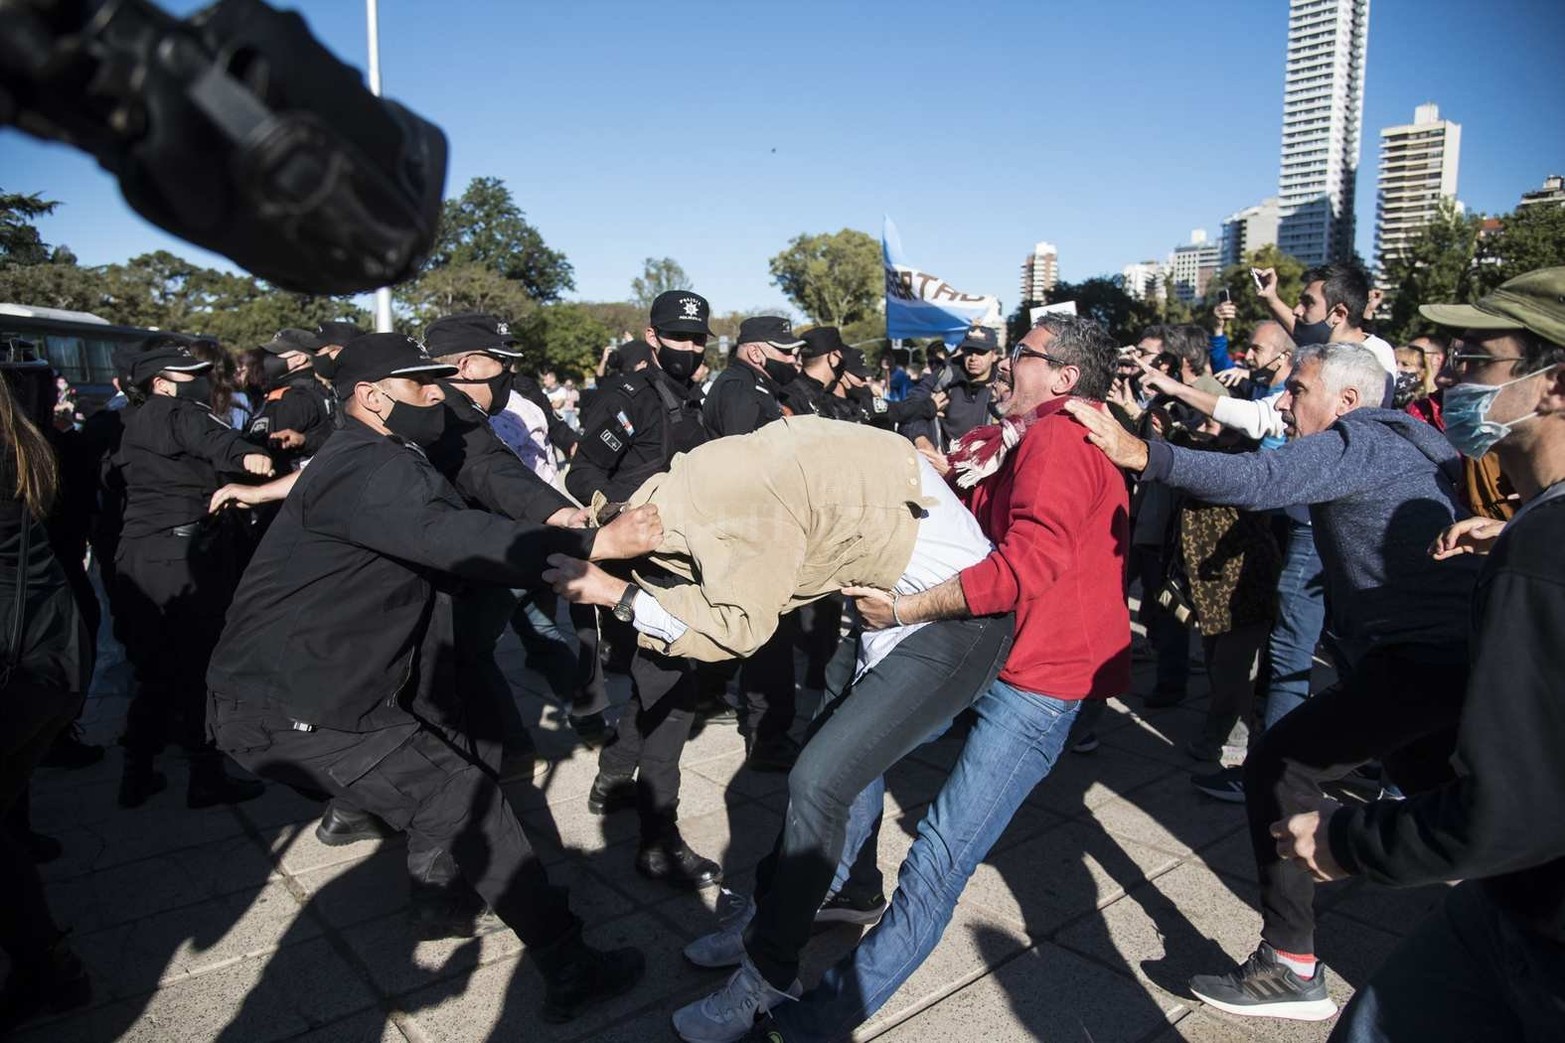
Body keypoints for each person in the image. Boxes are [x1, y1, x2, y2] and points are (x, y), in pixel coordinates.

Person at [205, 333, 661, 1023]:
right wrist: (591, 542)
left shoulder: (373, 450)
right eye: (420, 383)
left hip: (323, 684)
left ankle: (444, 896)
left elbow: (483, 472)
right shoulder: (372, 468)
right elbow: (456, 536)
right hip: (299, 699)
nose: (436, 394)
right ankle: (567, 963)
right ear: (371, 395)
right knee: (463, 793)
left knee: (452, 771)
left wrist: (554, 513)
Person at [537, 415, 1012, 1043]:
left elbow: (735, 629)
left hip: (955, 623)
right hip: (890, 608)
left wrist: (618, 595)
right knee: (817, 771)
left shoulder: (739, 511)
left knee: (818, 783)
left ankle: (768, 978)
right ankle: (798, 908)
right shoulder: (699, 480)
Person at [728, 314, 1128, 1043]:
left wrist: (902, 607)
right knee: (844, 766)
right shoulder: (1020, 438)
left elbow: (1022, 569)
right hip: (990, 654)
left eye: (1020, 355)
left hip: (1035, 682)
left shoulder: (1059, 442)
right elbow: (989, 531)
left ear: (1063, 378)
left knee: (937, 857)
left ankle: (818, 1020)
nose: (1002, 366)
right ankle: (792, 913)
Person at [1067, 340, 1484, 1023]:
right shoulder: (1415, 439)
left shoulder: (1358, 438)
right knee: (1458, 807)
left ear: (1346, 399)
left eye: (1296, 390)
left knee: (1277, 763)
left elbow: (1263, 481)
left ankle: (1288, 965)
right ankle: (1515, 927)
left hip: (1418, 656)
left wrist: (1145, 454)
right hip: (1440, 656)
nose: (1283, 402)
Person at [1271, 266, 1565, 1042]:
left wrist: (1346, 840)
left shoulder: (1541, 549)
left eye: (1477, 361)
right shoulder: (1535, 530)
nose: (1451, 375)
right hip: (1509, 903)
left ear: (1553, 383)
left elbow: (1515, 802)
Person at [565, 290, 723, 890]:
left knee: (660, 687)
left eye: (697, 338)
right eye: (677, 337)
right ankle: (658, 842)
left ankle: (611, 779)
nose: (689, 348)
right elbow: (583, 474)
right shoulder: (628, 398)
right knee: (673, 703)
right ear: (652, 337)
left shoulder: (695, 399)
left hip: (689, 564)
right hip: (645, 568)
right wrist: (623, 517)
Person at [112, 339, 275, 809]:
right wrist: (251, 459)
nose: (203, 380)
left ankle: (137, 773)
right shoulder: (177, 412)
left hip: (140, 556)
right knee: (196, 671)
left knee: (157, 673)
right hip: (180, 557)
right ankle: (206, 778)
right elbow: (218, 442)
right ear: (161, 383)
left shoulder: (131, 420)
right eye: (191, 374)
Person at [0, 361, 94, 1032]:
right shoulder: (19, 440)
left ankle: (46, 966)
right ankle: (47, 965)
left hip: (19, 668)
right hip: (47, 659)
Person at [702, 315, 807, 770]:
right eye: (786, 351)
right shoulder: (740, 390)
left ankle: (710, 697)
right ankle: (768, 738)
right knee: (770, 641)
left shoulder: (760, 388)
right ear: (757, 352)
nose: (794, 359)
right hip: (754, 530)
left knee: (754, 634)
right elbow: (741, 464)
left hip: (765, 525)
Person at [902, 325, 1001, 452]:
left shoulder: (1005, 386)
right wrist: (921, 439)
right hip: (940, 462)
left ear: (994, 355)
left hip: (983, 467)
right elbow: (910, 408)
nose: (973, 358)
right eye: (969, 351)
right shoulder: (946, 375)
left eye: (981, 352)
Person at [248, 327, 332, 468]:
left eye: (277, 353)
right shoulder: (315, 389)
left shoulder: (296, 397)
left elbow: (265, 442)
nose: (269, 359)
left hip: (287, 481)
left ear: (300, 358)